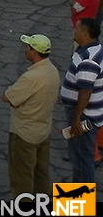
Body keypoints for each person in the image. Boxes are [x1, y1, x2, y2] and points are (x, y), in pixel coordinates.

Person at [2, 34, 59, 197]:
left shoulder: (31, 77)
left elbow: (8, 98)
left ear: (34, 52)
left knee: (22, 178)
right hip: (43, 130)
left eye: (28, 47)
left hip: (24, 134)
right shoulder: (52, 71)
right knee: (41, 174)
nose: (25, 49)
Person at [60, 17, 103, 182]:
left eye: (76, 29)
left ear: (85, 33)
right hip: (89, 114)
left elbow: (86, 90)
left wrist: (77, 119)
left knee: (80, 160)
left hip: (84, 116)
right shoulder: (94, 50)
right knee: (80, 157)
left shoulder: (88, 60)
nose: (74, 30)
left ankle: (78, 205)